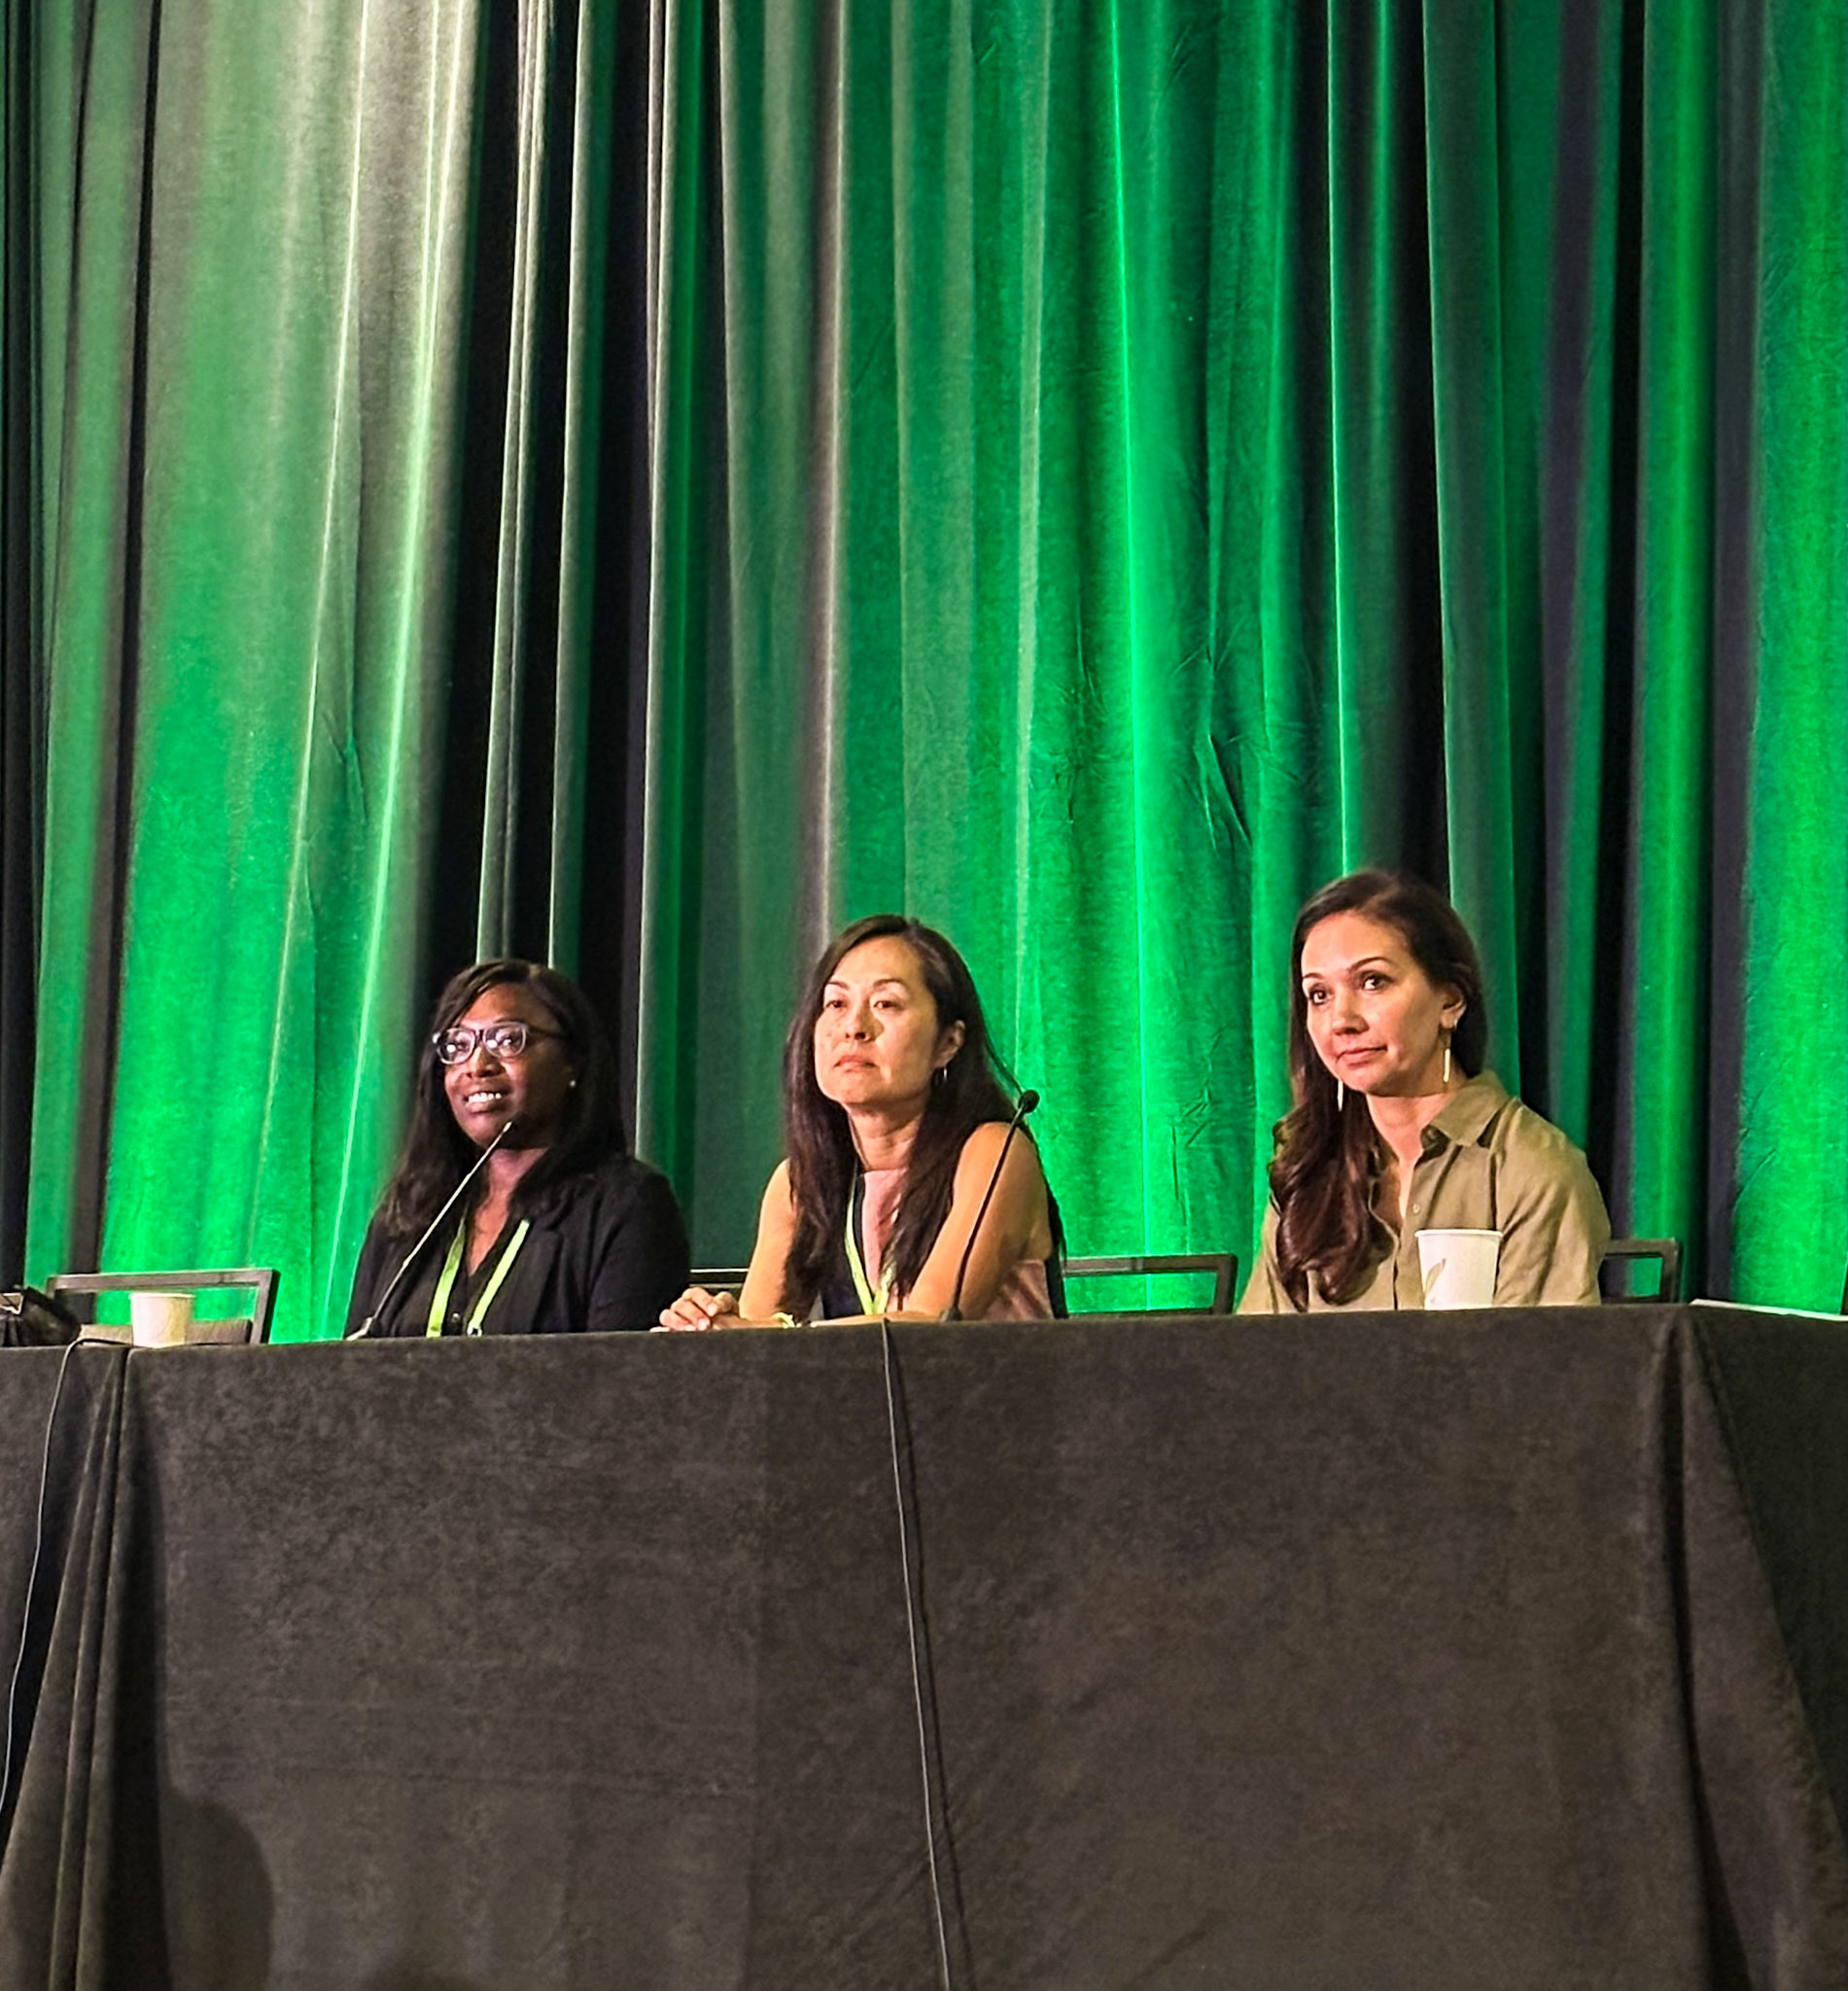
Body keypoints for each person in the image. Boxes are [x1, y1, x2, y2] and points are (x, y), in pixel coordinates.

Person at [657, 915, 1061, 1328]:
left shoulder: (994, 1153)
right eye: (835, 1004)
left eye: (886, 1004)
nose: (854, 1027)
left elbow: (930, 1328)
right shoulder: (797, 1187)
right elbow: (756, 1344)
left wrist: (767, 1334)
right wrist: (708, 1328)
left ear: (948, 1043)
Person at [1238, 869, 1609, 1311]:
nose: (1342, 1020)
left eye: (1372, 982)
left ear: (1450, 1001)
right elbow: (1256, 1364)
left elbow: (1539, 1370)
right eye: (1318, 995)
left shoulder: (1531, 1170)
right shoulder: (1307, 1169)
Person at [344, 959, 688, 1336]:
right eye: (457, 1045)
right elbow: (352, 1367)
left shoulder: (627, 1206)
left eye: (508, 1040)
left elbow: (625, 1379)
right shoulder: (410, 1210)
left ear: (572, 1062)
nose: (477, 1065)